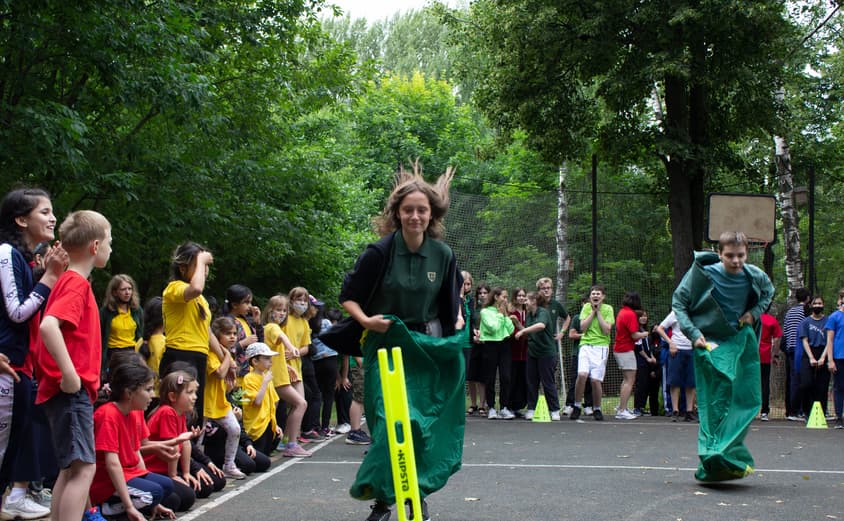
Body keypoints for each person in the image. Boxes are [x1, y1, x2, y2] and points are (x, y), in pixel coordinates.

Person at [340, 162, 465, 521]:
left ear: (431, 215)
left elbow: (449, 305)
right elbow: (348, 295)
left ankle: (416, 493)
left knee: (418, 423)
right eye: (407, 210)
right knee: (387, 422)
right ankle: (383, 500)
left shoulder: (443, 255)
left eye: (421, 210)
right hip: (383, 343)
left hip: (424, 346)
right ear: (397, 213)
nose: (414, 216)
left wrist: (455, 321)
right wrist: (365, 320)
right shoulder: (379, 252)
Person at [672, 231, 774, 482]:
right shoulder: (703, 273)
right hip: (709, 342)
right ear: (719, 254)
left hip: (738, 340)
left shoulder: (755, 275)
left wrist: (754, 313)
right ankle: (712, 457)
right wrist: (693, 333)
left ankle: (728, 455)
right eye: (730, 256)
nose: (736, 261)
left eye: (740, 255)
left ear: (747, 254)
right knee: (714, 401)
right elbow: (679, 303)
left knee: (744, 398)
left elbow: (769, 292)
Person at [35, 210, 112, 521]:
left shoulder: (70, 282)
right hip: (71, 390)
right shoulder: (76, 284)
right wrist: (69, 374)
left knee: (70, 469)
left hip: (68, 391)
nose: (110, 248)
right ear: (95, 246)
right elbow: (48, 327)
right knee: (84, 467)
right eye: (109, 242)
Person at [0, 188, 66, 520]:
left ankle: (16, 496)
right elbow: (17, 312)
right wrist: (51, 277)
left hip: (20, 366)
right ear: (21, 219)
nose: (52, 217)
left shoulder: (22, 260)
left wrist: (44, 274)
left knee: (14, 442)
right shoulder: (6, 254)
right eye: (44, 212)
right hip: (6, 366)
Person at [91, 355, 183, 520]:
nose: (152, 395)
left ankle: (130, 508)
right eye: (148, 389)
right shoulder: (108, 415)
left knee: (166, 486)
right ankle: (107, 509)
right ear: (128, 393)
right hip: (106, 481)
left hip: (130, 473)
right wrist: (130, 506)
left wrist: (156, 503)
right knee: (153, 493)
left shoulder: (133, 413)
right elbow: (112, 464)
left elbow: (136, 452)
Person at [161, 242, 225, 421]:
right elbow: (196, 288)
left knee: (194, 415)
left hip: (198, 356)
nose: (204, 270)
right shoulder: (174, 288)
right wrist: (203, 257)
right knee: (179, 415)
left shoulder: (201, 301)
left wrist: (224, 358)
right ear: (182, 268)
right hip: (180, 356)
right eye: (198, 265)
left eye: (205, 266)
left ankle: (190, 448)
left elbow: (206, 332)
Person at [144, 368, 219, 503]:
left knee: (207, 486)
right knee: (186, 497)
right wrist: (173, 475)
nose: (195, 397)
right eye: (190, 392)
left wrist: (186, 473)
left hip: (168, 468)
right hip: (155, 470)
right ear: (172, 397)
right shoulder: (167, 412)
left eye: (195, 392)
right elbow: (171, 446)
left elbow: (185, 443)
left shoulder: (180, 413)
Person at [261, 295, 311, 457]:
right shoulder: (272, 327)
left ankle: (277, 443)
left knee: (271, 410)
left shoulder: (272, 327)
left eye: (284, 310)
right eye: (278, 310)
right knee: (300, 404)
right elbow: (282, 339)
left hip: (279, 375)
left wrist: (288, 366)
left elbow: (276, 354)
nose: (282, 313)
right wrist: (292, 347)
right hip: (277, 378)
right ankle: (290, 444)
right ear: (270, 311)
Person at [205, 316, 247, 479]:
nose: (232, 337)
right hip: (208, 402)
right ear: (217, 335)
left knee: (235, 429)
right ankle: (203, 466)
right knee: (200, 438)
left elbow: (228, 386)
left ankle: (229, 464)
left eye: (234, 333)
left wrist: (231, 383)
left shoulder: (226, 354)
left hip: (220, 402)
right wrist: (228, 358)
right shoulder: (211, 354)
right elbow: (220, 373)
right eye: (228, 333)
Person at [570, 285, 614, 421]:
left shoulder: (608, 309)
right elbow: (583, 327)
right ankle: (577, 405)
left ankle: (597, 408)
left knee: (595, 380)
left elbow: (606, 330)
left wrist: (598, 312)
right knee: (582, 374)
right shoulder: (586, 308)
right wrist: (592, 312)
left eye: (598, 294)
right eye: (593, 294)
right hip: (586, 345)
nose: (595, 296)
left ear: (603, 297)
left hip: (601, 347)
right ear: (590, 297)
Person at [516, 291, 561, 421]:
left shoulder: (543, 312)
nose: (525, 301)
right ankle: (531, 408)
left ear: (534, 301)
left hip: (546, 353)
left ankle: (554, 410)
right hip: (532, 353)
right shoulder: (529, 315)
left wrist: (523, 330)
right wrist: (517, 324)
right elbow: (528, 332)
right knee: (531, 381)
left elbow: (541, 326)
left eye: (527, 299)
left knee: (548, 382)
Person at [241, 342, 285, 457]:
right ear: (255, 361)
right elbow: (257, 401)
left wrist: (275, 424)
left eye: (270, 358)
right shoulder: (249, 378)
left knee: (266, 453)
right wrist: (265, 383)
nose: (270, 361)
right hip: (256, 426)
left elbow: (275, 401)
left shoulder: (266, 376)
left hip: (268, 423)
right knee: (259, 458)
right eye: (266, 358)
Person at [477, 287, 515, 420]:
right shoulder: (485, 312)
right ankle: (491, 407)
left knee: (506, 377)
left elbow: (510, 330)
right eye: (504, 297)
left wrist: (505, 315)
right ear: (496, 297)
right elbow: (493, 328)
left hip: (504, 345)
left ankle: (504, 407)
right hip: (490, 345)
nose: (506, 300)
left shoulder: (503, 312)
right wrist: (500, 315)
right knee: (490, 377)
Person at [99, 274, 143, 378]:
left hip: (133, 353)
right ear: (114, 292)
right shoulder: (106, 312)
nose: (127, 292)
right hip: (113, 354)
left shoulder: (137, 311)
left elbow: (141, 334)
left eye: (130, 289)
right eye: (123, 289)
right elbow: (99, 336)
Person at [656, 310, 697, 422]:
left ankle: (689, 412)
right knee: (674, 382)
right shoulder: (675, 313)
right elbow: (660, 328)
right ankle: (675, 411)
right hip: (677, 349)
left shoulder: (696, 312)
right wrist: (671, 343)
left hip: (692, 350)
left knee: (691, 382)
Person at [613, 291, 647, 420]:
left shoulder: (622, 312)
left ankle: (622, 406)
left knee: (626, 379)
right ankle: (622, 410)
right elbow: (634, 335)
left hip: (620, 348)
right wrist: (645, 334)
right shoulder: (630, 314)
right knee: (630, 380)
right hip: (625, 349)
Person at [222, 284, 262, 379]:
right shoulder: (227, 322)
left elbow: (261, 345)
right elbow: (224, 349)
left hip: (251, 375)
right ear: (235, 305)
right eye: (246, 303)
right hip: (237, 375)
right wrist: (243, 343)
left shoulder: (246, 320)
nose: (250, 306)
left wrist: (258, 323)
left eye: (250, 303)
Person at [783, 288, 811, 421]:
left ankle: (791, 409)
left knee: (792, 378)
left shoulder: (789, 312)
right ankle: (797, 410)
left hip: (790, 347)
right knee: (800, 379)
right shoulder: (806, 312)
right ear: (808, 298)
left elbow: (785, 330)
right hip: (802, 347)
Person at [798, 297, 828, 420]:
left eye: (820, 303)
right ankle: (806, 410)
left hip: (823, 351)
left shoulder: (828, 321)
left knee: (822, 386)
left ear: (823, 305)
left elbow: (829, 341)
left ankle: (822, 411)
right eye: (815, 303)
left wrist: (823, 357)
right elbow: (804, 341)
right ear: (811, 305)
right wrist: (811, 358)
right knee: (806, 383)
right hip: (809, 353)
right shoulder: (805, 322)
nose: (817, 305)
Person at [563, 296, 592, 416]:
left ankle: (589, 405)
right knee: (575, 379)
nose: (588, 305)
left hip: (593, 353)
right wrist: (586, 336)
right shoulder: (576, 318)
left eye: (590, 304)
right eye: (586, 303)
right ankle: (570, 404)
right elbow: (571, 334)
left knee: (590, 380)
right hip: (578, 353)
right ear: (582, 304)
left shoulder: (597, 317)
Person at [467, 284, 489, 415]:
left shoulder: (493, 308)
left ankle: (482, 405)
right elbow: (469, 322)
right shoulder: (473, 307)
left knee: (482, 376)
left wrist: (484, 336)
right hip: (473, 343)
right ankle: (473, 404)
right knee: (471, 375)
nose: (482, 295)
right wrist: (473, 334)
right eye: (480, 293)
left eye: (485, 292)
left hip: (486, 344)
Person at [633, 310, 661, 416]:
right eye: (641, 316)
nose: (644, 318)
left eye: (645, 316)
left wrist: (651, 357)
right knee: (640, 384)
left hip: (647, 361)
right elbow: (638, 346)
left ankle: (642, 407)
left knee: (645, 384)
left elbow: (648, 347)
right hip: (640, 360)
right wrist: (647, 358)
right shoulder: (637, 330)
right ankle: (637, 407)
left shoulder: (644, 330)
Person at [824, 289, 844, 429]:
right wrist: (830, 360)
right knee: (839, 387)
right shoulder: (834, 317)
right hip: (839, 356)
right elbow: (830, 340)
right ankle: (838, 416)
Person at [758, 308, 782, 421]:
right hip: (765, 355)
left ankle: (747, 410)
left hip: (751, 355)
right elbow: (777, 338)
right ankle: (764, 411)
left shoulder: (752, 319)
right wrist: (775, 355)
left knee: (749, 383)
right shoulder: (771, 320)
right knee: (764, 383)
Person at [508, 288, 529, 416]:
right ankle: (509, 405)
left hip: (527, 353)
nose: (521, 298)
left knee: (524, 380)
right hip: (513, 352)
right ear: (514, 297)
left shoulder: (529, 312)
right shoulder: (511, 313)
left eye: (523, 295)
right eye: (519, 295)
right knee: (512, 379)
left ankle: (518, 407)